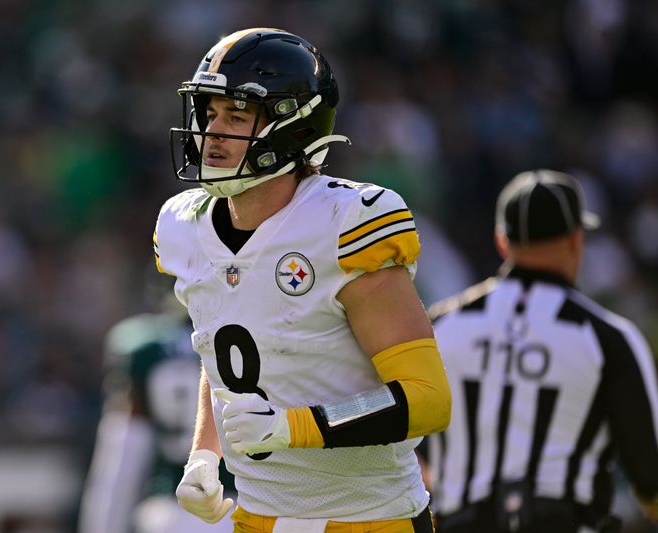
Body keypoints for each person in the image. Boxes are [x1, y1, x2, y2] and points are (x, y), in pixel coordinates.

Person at [153, 28, 451, 533]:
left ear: (292, 127)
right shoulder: (182, 226)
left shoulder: (345, 223)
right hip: (258, 519)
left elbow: (427, 398)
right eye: (209, 115)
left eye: (237, 116)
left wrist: (294, 429)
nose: (212, 133)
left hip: (372, 520)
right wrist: (204, 453)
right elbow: (223, 347)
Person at [425, 170, 658, 532]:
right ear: (576, 240)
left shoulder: (439, 326)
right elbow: (650, 474)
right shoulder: (608, 338)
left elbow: (403, 447)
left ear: (501, 241)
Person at [78, 311, 235, 533]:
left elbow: (123, 462)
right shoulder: (262, 336)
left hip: (171, 515)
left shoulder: (147, 345)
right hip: (253, 511)